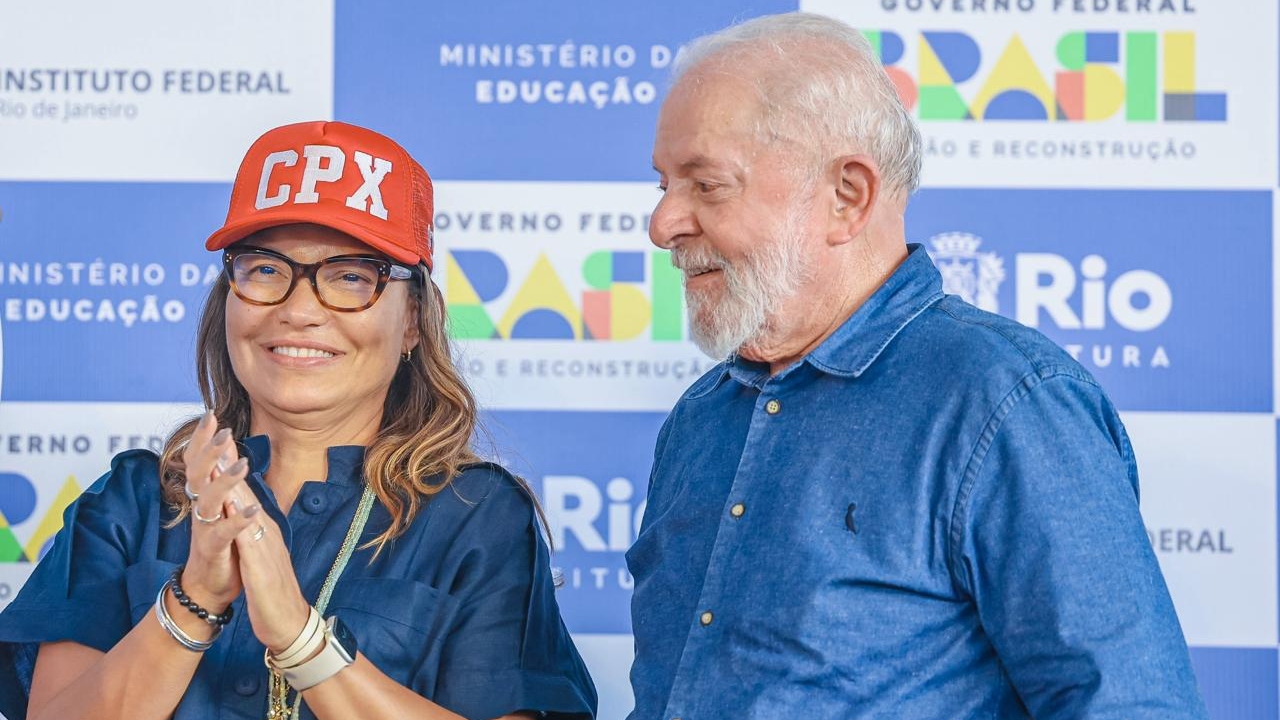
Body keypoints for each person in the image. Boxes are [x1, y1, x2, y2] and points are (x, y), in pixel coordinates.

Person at [627, 12, 1207, 719]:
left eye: (707, 185)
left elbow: (1129, 706)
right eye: (664, 185)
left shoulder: (1009, 402)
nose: (662, 225)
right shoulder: (701, 416)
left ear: (848, 196)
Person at [0, 121, 597, 720]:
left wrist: (298, 636)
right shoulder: (132, 502)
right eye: (264, 269)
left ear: (413, 320)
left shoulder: (477, 517)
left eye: (351, 277)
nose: (300, 309)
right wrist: (195, 599)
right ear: (227, 298)